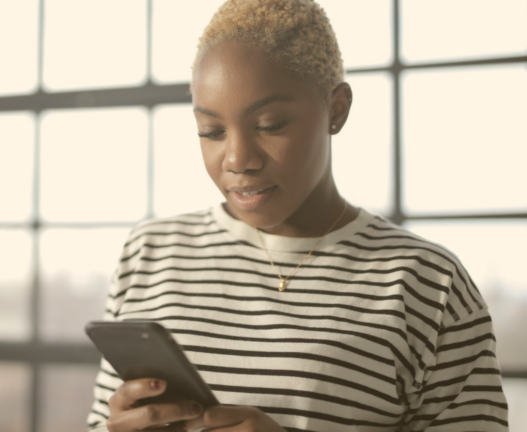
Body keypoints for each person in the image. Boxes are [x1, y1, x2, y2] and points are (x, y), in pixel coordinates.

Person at [86, 0, 510, 430]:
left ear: (337, 109)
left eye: (269, 124)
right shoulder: (151, 252)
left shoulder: (427, 283)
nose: (237, 159)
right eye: (211, 131)